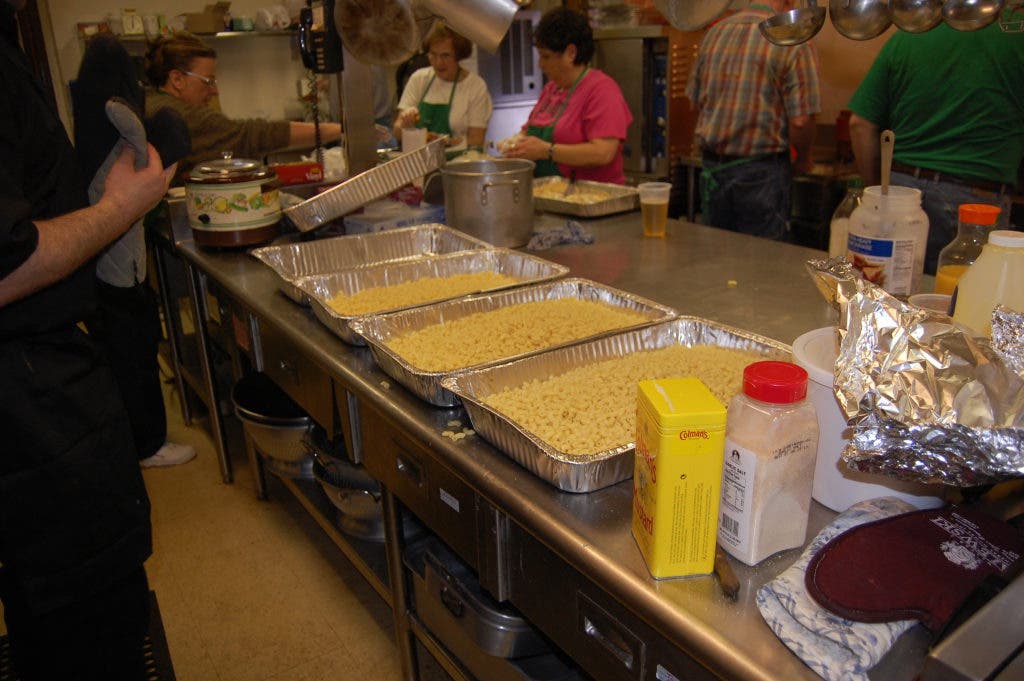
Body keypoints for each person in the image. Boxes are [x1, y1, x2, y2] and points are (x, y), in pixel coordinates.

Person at [1, 0, 175, 677]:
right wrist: (119, 209)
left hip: (35, 373)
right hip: (29, 390)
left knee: (44, 602)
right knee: (92, 616)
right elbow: (8, 262)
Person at [72, 33, 197, 469]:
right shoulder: (118, 119)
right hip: (117, 264)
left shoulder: (86, 123)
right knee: (134, 353)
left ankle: (140, 437)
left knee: (127, 348)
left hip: (106, 258)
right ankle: (148, 444)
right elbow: (141, 145)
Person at [848, 22, 1024, 274]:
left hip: (900, 190)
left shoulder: (912, 33)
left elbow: (860, 125)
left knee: (884, 296)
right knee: (960, 306)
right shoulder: (1015, 33)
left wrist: (880, 193)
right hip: (976, 204)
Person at [686, 0, 820, 240]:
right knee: (761, 265)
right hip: (762, 175)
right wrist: (804, 157)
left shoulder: (714, 33)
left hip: (713, 171)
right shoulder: (792, 38)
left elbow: (694, 103)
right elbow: (801, 121)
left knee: (715, 260)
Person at [144, 32, 343, 184]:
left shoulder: (150, 102)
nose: (215, 91)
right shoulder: (178, 116)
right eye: (208, 81)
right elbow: (252, 135)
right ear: (177, 79)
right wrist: (340, 130)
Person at [502, 7, 633, 184]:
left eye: (546, 57)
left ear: (571, 53)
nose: (540, 64)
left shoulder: (602, 90)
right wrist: (516, 148)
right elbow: (527, 133)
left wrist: (546, 151)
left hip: (590, 199)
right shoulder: (552, 89)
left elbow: (603, 152)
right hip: (549, 196)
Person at [393, 23, 493, 154]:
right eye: (433, 54)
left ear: (459, 56)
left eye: (445, 56)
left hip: (459, 164)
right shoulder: (419, 79)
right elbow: (398, 131)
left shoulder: (475, 86)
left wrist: (446, 142)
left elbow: (476, 141)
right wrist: (406, 123)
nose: (438, 62)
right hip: (419, 165)